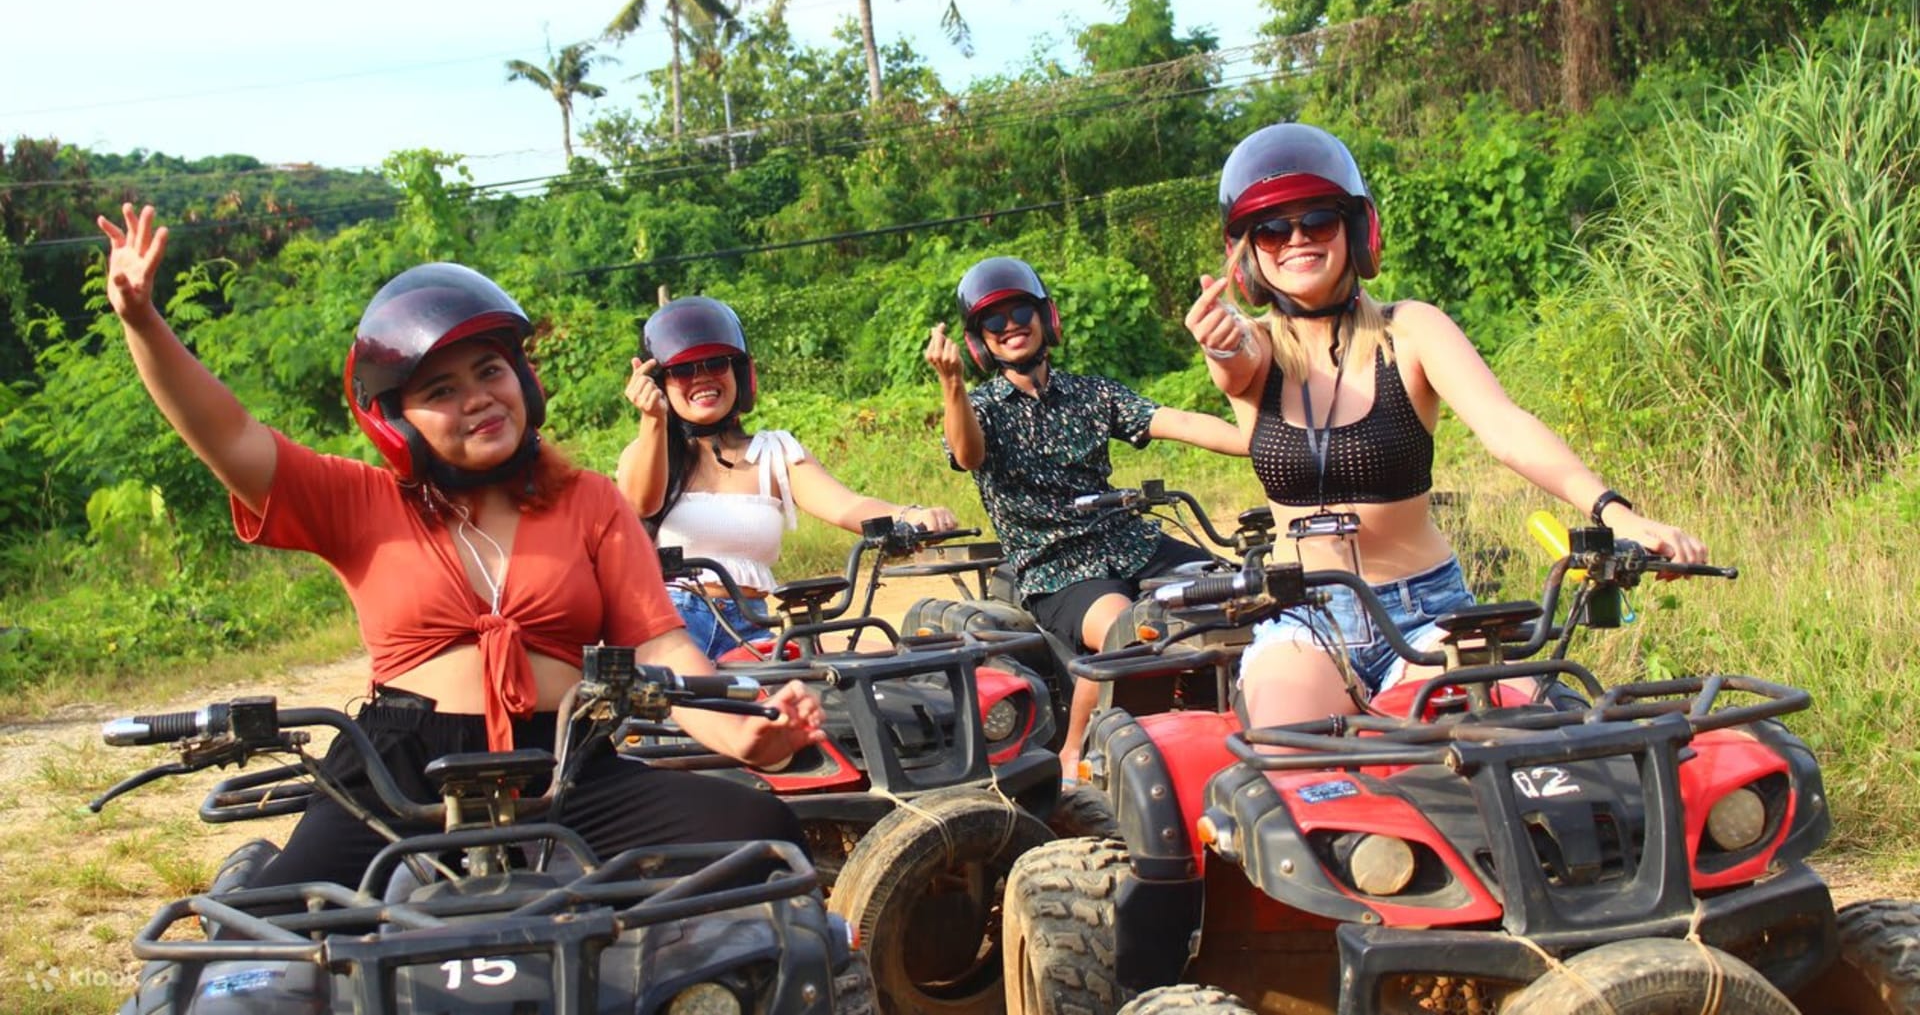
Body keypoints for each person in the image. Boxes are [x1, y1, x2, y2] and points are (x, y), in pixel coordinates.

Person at [97, 204, 823, 891]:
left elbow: (662, 646)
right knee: (277, 920)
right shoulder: (360, 500)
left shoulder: (589, 502)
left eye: (489, 371)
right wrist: (141, 320)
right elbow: (230, 436)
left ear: (523, 382)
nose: (476, 398)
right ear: (397, 420)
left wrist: (746, 735)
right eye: (441, 389)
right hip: (399, 766)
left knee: (761, 838)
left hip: (564, 764)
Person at [1183, 123, 1706, 730]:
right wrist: (1220, 341)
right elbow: (1234, 362)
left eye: (1318, 222)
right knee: (1290, 757)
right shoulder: (1257, 348)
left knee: (1497, 749)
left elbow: (1505, 427)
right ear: (1249, 253)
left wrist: (1616, 513)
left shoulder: (1410, 331)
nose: (1296, 239)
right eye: (1273, 230)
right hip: (1305, 617)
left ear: (1355, 231)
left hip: (1427, 611)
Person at [925, 255, 1249, 777]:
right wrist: (952, 385)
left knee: (1241, 596)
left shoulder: (1091, 394)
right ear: (979, 340)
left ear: (1045, 317)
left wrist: (1261, 440)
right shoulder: (980, 408)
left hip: (1131, 544)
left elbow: (1179, 421)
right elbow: (968, 454)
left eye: (1020, 312)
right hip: (1057, 569)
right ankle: (1076, 759)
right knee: (1128, 631)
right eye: (993, 320)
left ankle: (1226, 728)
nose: (1010, 326)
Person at [616, 295, 959, 660]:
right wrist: (653, 419)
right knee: (684, 693)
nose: (702, 377)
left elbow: (847, 505)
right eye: (684, 370)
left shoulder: (775, 452)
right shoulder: (648, 453)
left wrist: (911, 515)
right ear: (659, 383)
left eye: (716, 363)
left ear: (740, 374)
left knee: (884, 661)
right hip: (673, 623)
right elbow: (642, 503)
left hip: (752, 626)